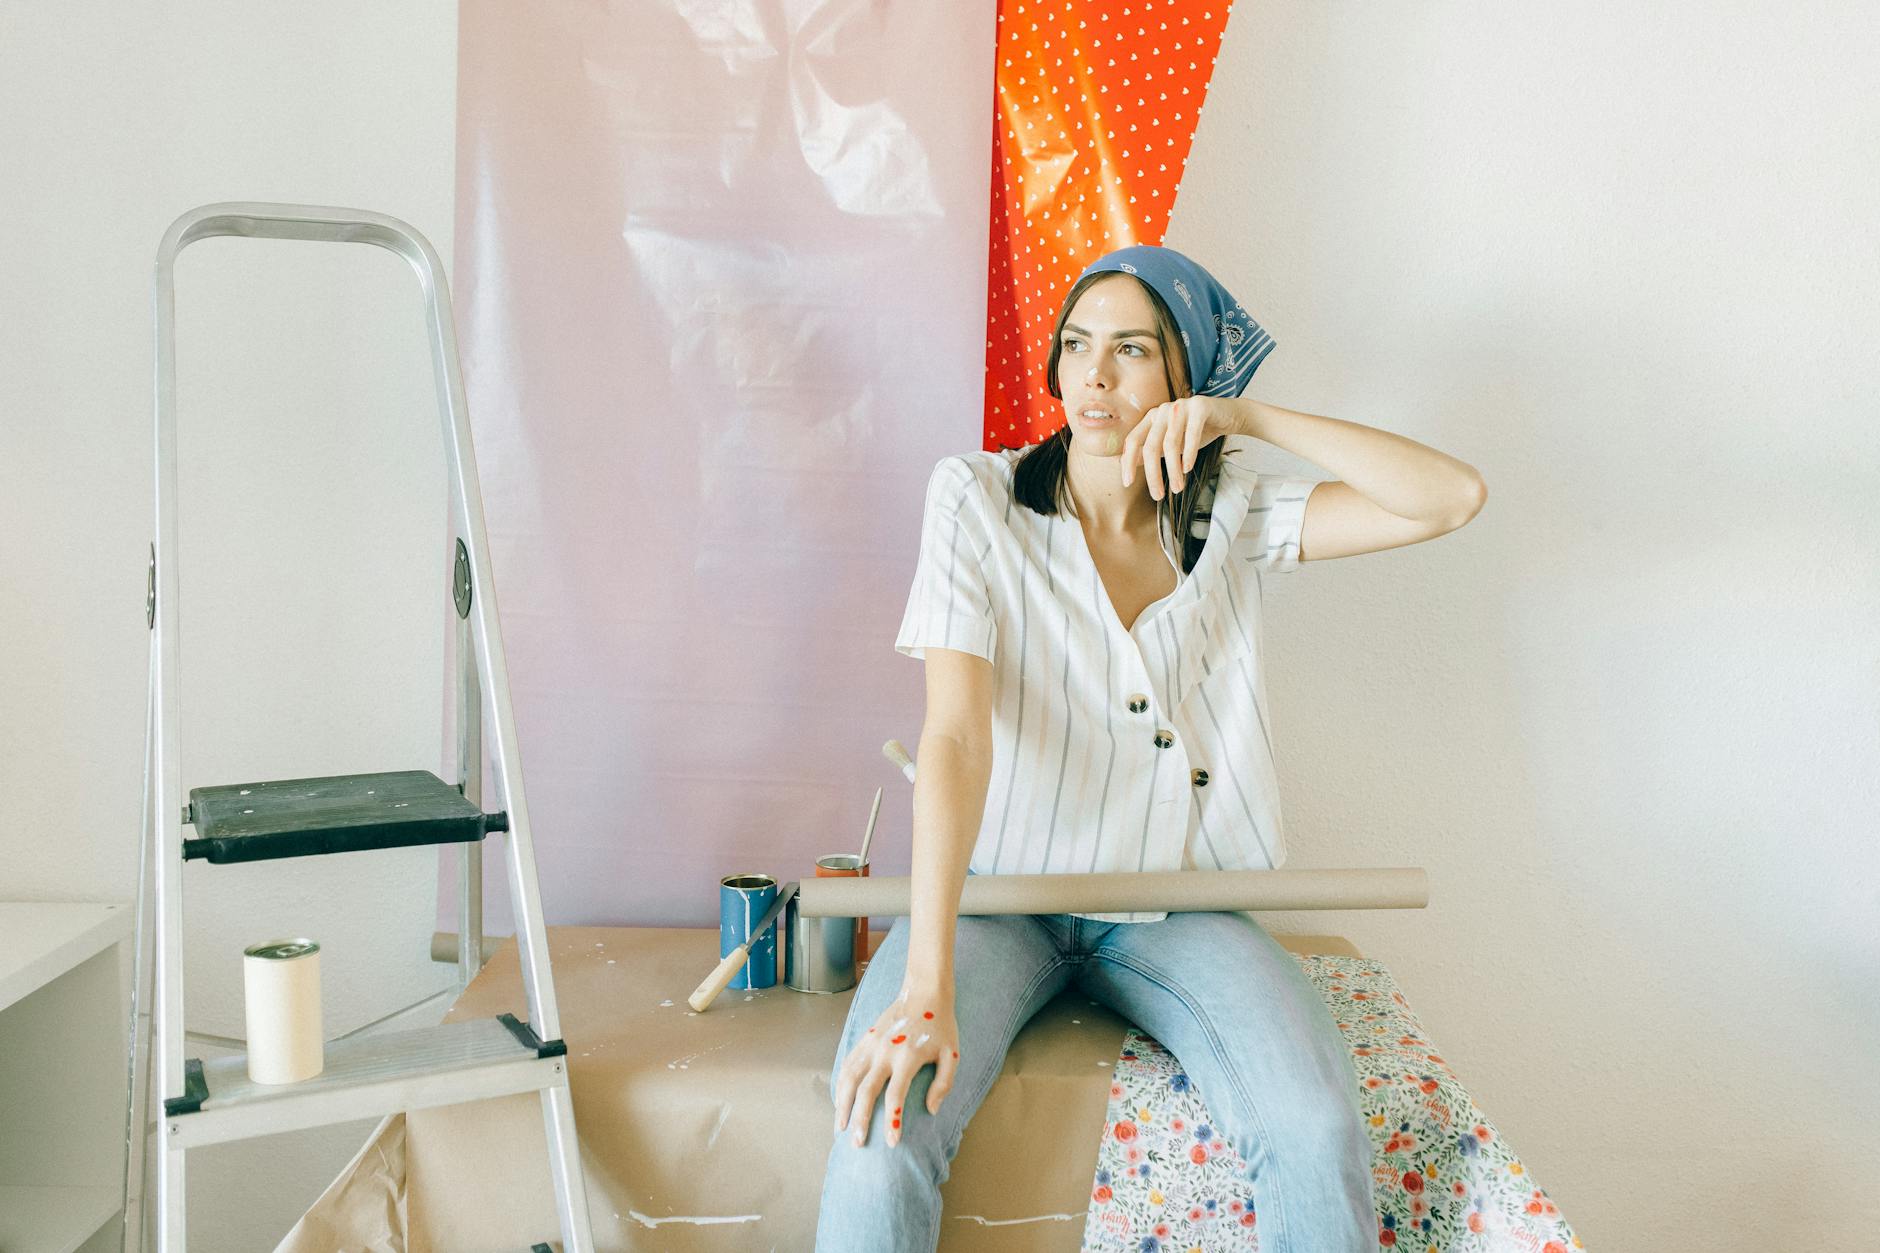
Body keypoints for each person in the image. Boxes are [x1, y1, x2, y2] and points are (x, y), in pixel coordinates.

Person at [815, 244, 1487, 1251]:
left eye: (1131, 349)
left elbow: (1447, 496)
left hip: (1176, 901)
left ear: (1185, 377)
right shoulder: (975, 497)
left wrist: (1245, 416)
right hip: (998, 895)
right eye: (1076, 344)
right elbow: (952, 732)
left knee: (1310, 1122)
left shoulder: (1231, 506)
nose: (1093, 375)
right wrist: (925, 981)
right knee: (882, 1125)